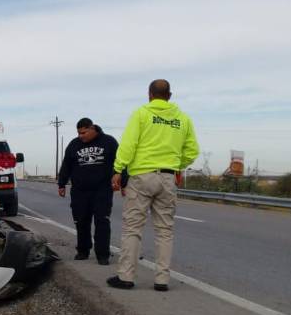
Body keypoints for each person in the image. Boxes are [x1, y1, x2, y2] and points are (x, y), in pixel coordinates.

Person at [107, 79, 199, 292]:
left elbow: (129, 145)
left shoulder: (142, 114)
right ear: (170, 95)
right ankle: (162, 280)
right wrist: (177, 165)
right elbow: (192, 150)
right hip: (167, 178)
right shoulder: (182, 119)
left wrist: (119, 169)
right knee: (165, 230)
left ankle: (126, 277)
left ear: (149, 94)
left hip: (142, 176)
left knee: (132, 228)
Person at [57, 118, 118, 263]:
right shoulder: (74, 144)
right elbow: (67, 165)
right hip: (80, 191)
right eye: (79, 133)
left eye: (83, 133)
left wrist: (123, 181)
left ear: (92, 128)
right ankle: (83, 250)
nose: (81, 136)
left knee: (102, 222)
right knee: (81, 221)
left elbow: (119, 162)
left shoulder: (109, 142)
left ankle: (103, 254)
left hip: (102, 190)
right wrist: (62, 184)